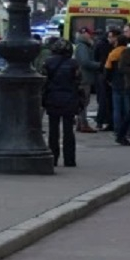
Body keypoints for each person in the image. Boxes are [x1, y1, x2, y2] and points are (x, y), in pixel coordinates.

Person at [42, 39, 82, 167]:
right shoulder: (73, 64)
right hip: (69, 99)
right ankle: (69, 159)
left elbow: (44, 82)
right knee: (68, 130)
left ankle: (53, 158)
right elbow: (78, 82)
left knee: (53, 130)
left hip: (52, 98)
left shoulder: (47, 63)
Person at [73, 26, 99, 133]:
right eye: (90, 34)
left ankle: (81, 123)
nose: (91, 36)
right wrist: (99, 65)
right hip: (84, 77)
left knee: (83, 101)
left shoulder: (81, 45)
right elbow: (85, 62)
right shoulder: (82, 47)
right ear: (84, 34)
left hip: (83, 77)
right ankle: (83, 124)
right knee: (83, 101)